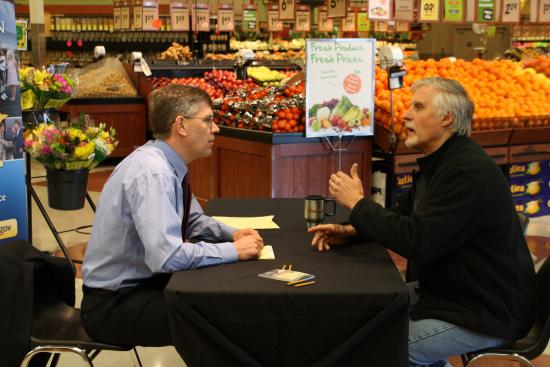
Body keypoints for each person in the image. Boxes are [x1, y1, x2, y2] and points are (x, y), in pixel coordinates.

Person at [308, 77, 536, 367]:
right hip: (449, 296)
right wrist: (352, 230)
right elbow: (403, 216)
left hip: (484, 312)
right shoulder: (441, 163)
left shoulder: (466, 173)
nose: (406, 114)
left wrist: (357, 204)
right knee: (361, 320)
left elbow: (419, 241)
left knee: (379, 346)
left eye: (418, 107)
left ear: (446, 118)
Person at [81, 85, 264, 354]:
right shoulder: (154, 172)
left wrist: (232, 234)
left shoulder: (167, 162)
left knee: (222, 296)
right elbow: (166, 258)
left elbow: (194, 222)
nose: (216, 129)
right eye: (208, 120)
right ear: (181, 125)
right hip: (114, 305)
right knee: (224, 317)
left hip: (142, 285)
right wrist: (233, 250)